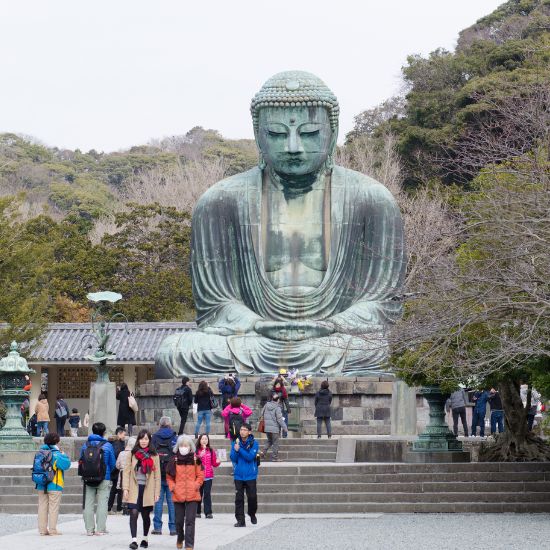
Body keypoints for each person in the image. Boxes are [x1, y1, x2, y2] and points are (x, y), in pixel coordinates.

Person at [122, 429, 161, 550]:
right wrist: (125, 488)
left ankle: (145, 538)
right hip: (134, 487)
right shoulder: (132, 454)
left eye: (146, 439)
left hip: (147, 489)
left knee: (145, 515)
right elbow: (126, 472)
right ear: (138, 440)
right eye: (141, 438)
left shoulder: (154, 456)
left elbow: (157, 476)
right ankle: (134, 540)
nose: (144, 441)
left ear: (149, 440)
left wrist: (156, 492)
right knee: (133, 513)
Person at [166, 434, 204, 550]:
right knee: (178, 521)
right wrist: (173, 487)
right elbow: (169, 477)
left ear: (190, 446)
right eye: (181, 445)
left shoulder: (196, 459)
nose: (184, 447)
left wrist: (196, 485)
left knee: (190, 521)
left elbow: (200, 475)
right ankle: (180, 537)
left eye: (186, 445)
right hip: (178, 494)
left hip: (193, 494)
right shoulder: (174, 460)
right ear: (178, 446)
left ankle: (189, 544)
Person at [79, 422, 116, 536]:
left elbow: (81, 460)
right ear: (104, 433)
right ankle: (100, 529)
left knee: (88, 503)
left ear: (92, 431)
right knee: (102, 503)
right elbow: (113, 463)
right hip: (104, 477)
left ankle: (89, 530)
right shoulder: (107, 445)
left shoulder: (85, 445)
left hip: (88, 478)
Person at [35, 432, 71, 536]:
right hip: (55, 484)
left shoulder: (40, 452)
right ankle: (52, 530)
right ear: (56, 441)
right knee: (53, 507)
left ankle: (42, 530)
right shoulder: (57, 454)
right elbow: (66, 465)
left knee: (42, 506)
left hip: (41, 483)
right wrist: (64, 454)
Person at [151, 416, 177, 536]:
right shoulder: (174, 437)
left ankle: (157, 528)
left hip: (157, 473)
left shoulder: (155, 437)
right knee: (172, 503)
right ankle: (173, 528)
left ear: (159, 424)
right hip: (171, 474)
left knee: (158, 502)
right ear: (170, 424)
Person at [230, 423, 259, 527]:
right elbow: (233, 458)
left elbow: (250, 457)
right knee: (238, 499)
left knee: (252, 498)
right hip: (238, 475)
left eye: (245, 430)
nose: (242, 431)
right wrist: (236, 450)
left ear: (249, 432)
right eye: (241, 429)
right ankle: (240, 521)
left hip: (250, 475)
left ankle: (252, 513)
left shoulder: (254, 443)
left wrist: (240, 450)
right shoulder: (235, 442)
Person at [196, 433, 221, 519]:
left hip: (208, 476)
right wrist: (200, 456)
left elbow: (214, 463)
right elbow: (194, 462)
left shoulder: (211, 450)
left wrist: (218, 461)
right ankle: (197, 512)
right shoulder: (196, 451)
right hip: (198, 477)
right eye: (202, 439)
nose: (204, 440)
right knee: (198, 494)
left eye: (206, 439)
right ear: (199, 440)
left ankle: (208, 512)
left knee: (207, 494)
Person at [259, 394, 287, 462]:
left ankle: (263, 453)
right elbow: (279, 419)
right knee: (275, 443)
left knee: (270, 441)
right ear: (278, 400)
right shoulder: (277, 407)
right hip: (274, 428)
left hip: (267, 427)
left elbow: (261, 413)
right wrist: (285, 427)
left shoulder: (266, 405)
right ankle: (275, 457)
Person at [108, 426, 127, 515]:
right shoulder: (117, 444)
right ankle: (118, 509)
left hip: (115, 469)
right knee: (118, 489)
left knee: (115, 489)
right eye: (124, 434)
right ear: (119, 434)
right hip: (117, 470)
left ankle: (110, 508)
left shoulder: (115, 442)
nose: (125, 436)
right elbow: (116, 456)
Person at [117, 437, 136, 516]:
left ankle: (124, 507)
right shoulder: (134, 453)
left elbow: (117, 465)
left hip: (122, 473)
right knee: (131, 490)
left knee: (123, 490)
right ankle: (130, 507)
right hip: (132, 473)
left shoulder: (121, 453)